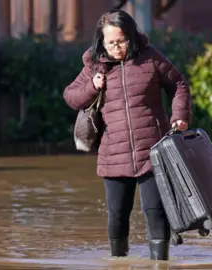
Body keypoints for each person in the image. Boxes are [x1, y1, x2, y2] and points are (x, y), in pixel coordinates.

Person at [63, 9, 192, 261]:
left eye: (121, 41)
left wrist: (180, 116)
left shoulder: (150, 58)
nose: (116, 47)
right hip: (114, 154)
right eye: (110, 42)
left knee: (156, 212)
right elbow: (70, 96)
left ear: (131, 37)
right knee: (117, 215)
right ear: (102, 41)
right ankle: (118, 263)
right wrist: (92, 86)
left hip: (154, 150)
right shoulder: (95, 63)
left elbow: (178, 84)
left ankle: (160, 263)